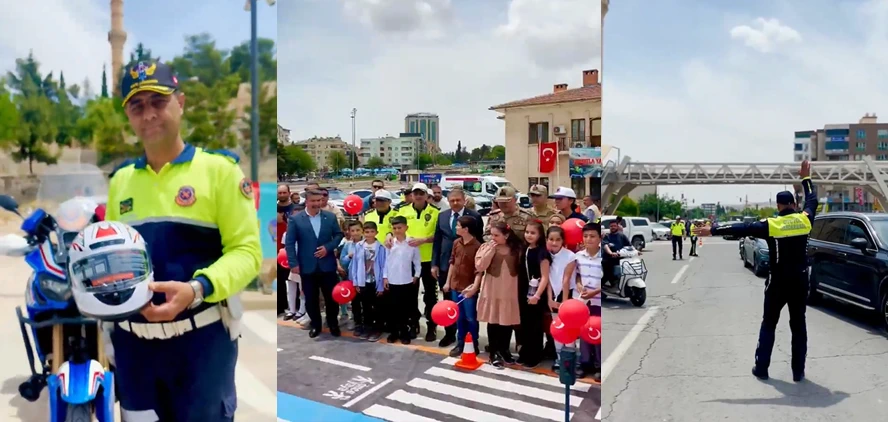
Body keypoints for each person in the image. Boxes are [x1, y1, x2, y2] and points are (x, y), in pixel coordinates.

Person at [106, 60, 261, 420]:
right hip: (134, 351)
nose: (148, 114)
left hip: (201, 348)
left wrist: (197, 289)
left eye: (158, 101)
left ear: (181, 102)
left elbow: (247, 252)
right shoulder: (120, 181)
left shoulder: (220, 171)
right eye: (137, 106)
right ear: (128, 115)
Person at [695, 160, 816, 382]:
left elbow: (742, 228)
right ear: (793, 204)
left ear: (778, 206)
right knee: (799, 326)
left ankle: (762, 368)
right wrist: (806, 178)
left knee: (769, 323)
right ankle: (798, 372)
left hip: (778, 282)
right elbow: (812, 200)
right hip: (800, 281)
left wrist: (712, 230)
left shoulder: (771, 224)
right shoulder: (805, 219)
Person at [286, 189, 345, 339]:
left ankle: (333, 324)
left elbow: (338, 235)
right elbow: (290, 243)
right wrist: (293, 263)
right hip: (307, 266)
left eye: (319, 200)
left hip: (327, 265)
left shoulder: (330, 217)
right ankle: (316, 325)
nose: (317, 203)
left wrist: (328, 248)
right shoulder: (296, 219)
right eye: (314, 201)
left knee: (331, 298)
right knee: (311, 299)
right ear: (306, 201)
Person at [431, 187, 483, 348]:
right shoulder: (442, 216)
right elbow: (437, 241)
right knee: (449, 304)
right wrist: (434, 264)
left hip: (468, 270)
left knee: (468, 312)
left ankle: (471, 341)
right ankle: (450, 335)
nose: (455, 203)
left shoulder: (474, 216)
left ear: (464, 200)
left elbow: (479, 242)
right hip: (447, 266)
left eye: (458, 200)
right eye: (452, 200)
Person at [469, 221, 523, 368]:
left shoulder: (516, 248)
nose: (493, 238)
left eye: (496, 235)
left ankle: (504, 350)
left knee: (507, 321)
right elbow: (480, 266)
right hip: (493, 289)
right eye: (492, 235)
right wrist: (490, 251)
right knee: (493, 321)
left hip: (510, 290)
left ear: (506, 235)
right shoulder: (486, 247)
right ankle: (494, 352)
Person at [393, 183, 439, 342]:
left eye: (421, 193)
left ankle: (431, 326)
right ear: (411, 195)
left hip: (428, 260)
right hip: (409, 261)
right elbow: (393, 228)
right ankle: (413, 324)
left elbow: (439, 235)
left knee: (430, 296)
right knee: (410, 296)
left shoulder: (435, 212)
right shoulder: (402, 210)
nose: (418, 196)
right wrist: (389, 236)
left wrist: (424, 240)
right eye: (415, 193)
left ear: (427, 195)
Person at [442, 215, 483, 357]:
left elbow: (479, 271)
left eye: (458, 225)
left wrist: (474, 287)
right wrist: (448, 282)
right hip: (455, 286)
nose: (456, 227)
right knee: (459, 316)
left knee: (470, 317)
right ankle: (460, 342)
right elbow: (452, 263)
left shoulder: (477, 246)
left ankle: (473, 342)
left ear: (466, 229)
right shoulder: (456, 243)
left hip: (468, 288)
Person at [517, 219, 551, 368]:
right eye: (527, 232)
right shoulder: (524, 249)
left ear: (540, 235)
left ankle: (535, 355)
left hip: (536, 294)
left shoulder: (542, 253)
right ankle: (524, 352)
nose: (529, 235)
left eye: (533, 233)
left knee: (535, 326)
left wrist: (537, 295)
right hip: (523, 291)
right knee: (524, 325)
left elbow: (545, 277)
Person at [383, 216, 421, 344]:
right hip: (392, 280)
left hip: (406, 280)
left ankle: (404, 333)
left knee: (405, 308)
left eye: (399, 228)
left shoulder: (412, 243)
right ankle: (394, 332)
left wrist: (416, 275)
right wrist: (385, 277)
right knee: (393, 308)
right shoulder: (390, 244)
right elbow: (386, 262)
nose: (397, 230)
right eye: (394, 228)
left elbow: (417, 261)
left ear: (406, 227)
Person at [545, 225, 578, 371]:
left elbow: (566, 279)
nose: (554, 242)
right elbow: (547, 279)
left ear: (563, 241)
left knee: (568, 328)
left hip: (567, 294)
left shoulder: (570, 256)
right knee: (557, 327)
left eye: (558, 239)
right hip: (552, 294)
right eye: (551, 239)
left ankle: (569, 359)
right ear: (547, 240)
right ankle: (559, 359)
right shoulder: (546, 255)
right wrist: (549, 299)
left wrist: (564, 303)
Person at [348, 221, 387, 342]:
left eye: (372, 232)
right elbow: (355, 265)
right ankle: (367, 327)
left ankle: (377, 329)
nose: (369, 234)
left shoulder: (381, 248)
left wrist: (381, 285)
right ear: (363, 232)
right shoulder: (359, 246)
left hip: (376, 282)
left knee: (378, 307)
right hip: (363, 282)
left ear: (376, 232)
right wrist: (356, 282)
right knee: (366, 306)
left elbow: (384, 266)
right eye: (367, 232)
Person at [574, 222, 603, 381]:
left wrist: (595, 291)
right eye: (585, 236)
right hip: (583, 302)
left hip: (598, 302)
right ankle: (585, 363)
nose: (588, 239)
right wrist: (579, 285)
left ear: (600, 238)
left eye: (592, 236)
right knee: (584, 333)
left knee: (597, 333)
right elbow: (577, 275)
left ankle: (599, 365)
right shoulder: (578, 256)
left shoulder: (603, 258)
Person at [336, 221, 365, 328]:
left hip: (367, 278)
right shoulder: (347, 245)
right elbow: (342, 260)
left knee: (366, 301)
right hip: (352, 278)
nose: (355, 233)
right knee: (355, 300)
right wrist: (349, 256)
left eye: (358, 230)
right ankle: (356, 320)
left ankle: (367, 322)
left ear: (362, 230)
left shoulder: (368, 243)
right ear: (349, 232)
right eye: (353, 231)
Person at [278, 184, 298, 319]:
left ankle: (297, 307)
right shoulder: (272, 208)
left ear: (289, 193)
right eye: (280, 193)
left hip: (291, 250)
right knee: (279, 280)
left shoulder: (295, 209)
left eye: (284, 192)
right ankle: (281, 306)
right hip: (277, 249)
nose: (282, 195)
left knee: (294, 280)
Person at [602, 220, 632, 286]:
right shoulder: (607, 236)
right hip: (609, 259)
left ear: (617, 227)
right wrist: (611, 253)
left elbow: (629, 246)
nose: (613, 227)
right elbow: (605, 246)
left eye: (614, 226)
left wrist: (636, 251)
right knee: (607, 274)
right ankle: (602, 286)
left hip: (620, 258)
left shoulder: (622, 236)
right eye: (611, 226)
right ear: (609, 227)